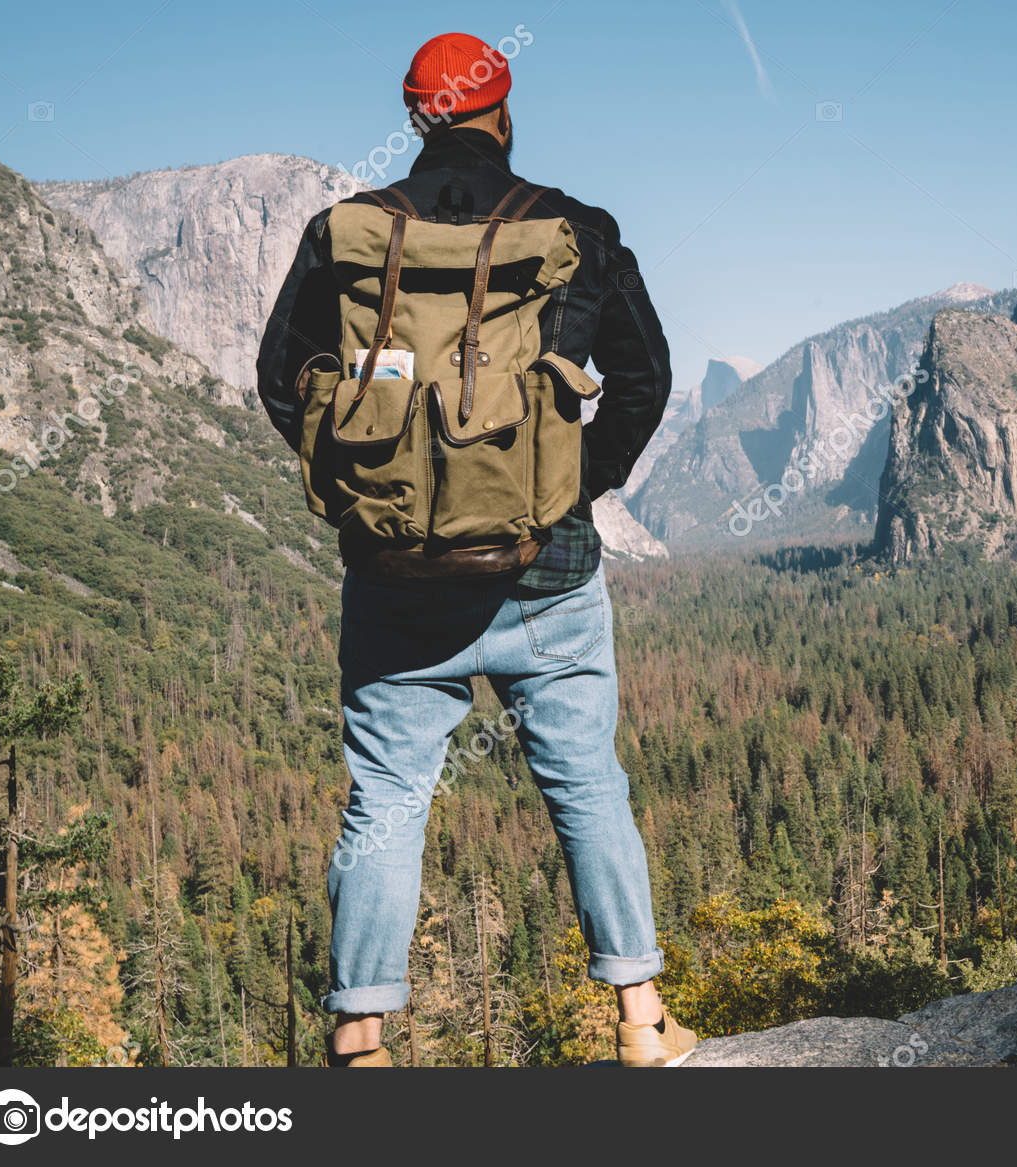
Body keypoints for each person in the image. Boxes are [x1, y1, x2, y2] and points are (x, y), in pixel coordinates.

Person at [256, 31, 694, 1068]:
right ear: (502, 111)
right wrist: (570, 488)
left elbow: (287, 384)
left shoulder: (345, 233)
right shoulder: (574, 229)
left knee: (388, 799)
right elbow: (644, 382)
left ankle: (360, 1040)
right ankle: (641, 1023)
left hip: (395, 570)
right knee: (585, 784)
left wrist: (378, 494)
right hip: (546, 566)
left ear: (418, 117)